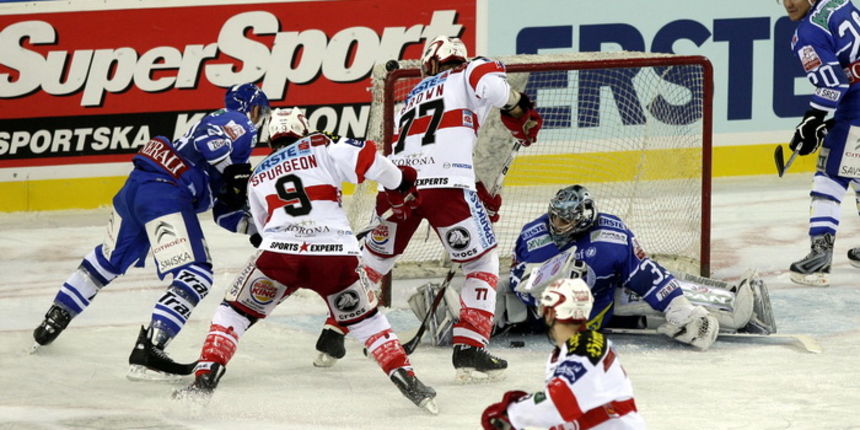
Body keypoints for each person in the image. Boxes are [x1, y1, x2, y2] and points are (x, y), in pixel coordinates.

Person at [172, 108, 439, 414]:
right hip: (335, 257)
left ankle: (205, 379)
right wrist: (402, 185)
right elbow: (369, 157)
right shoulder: (323, 144)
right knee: (368, 321)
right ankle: (411, 384)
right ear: (304, 128)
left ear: (271, 138)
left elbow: (261, 229)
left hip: (279, 256)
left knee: (234, 312)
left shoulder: (258, 174)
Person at [313, 34, 543, 383]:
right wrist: (518, 107)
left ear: (430, 63)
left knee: (375, 260)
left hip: (397, 186)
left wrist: (475, 190)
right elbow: (497, 93)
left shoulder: (414, 96)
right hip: (447, 189)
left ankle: (332, 334)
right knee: (481, 261)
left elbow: (427, 146)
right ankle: (470, 347)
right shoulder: (471, 70)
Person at [32, 83, 270, 380]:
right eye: (262, 113)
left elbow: (225, 213)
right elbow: (210, 141)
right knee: (196, 274)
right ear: (255, 108)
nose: (260, 120)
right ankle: (151, 349)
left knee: (106, 261)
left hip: (137, 188)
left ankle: (54, 319)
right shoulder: (239, 122)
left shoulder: (227, 151)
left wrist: (257, 227)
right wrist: (232, 169)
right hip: (165, 193)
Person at [495, 185, 776, 351]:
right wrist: (537, 292)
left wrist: (678, 307)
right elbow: (520, 277)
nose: (556, 225)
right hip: (545, 314)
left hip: (601, 303)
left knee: (658, 302)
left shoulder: (612, 237)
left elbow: (647, 276)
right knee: (499, 289)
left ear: (583, 219)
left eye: (564, 221)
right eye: (554, 217)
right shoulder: (533, 233)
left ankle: (734, 305)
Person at [481, 278, 645, 429]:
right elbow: (568, 413)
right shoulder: (568, 351)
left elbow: (560, 402)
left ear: (551, 313)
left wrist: (513, 412)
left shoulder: (587, 346)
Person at [781, 0, 860, 286]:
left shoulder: (808, 34)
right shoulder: (840, 2)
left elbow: (834, 83)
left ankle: (819, 259)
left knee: (829, 177)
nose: (788, 3)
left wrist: (812, 120)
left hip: (857, 108)